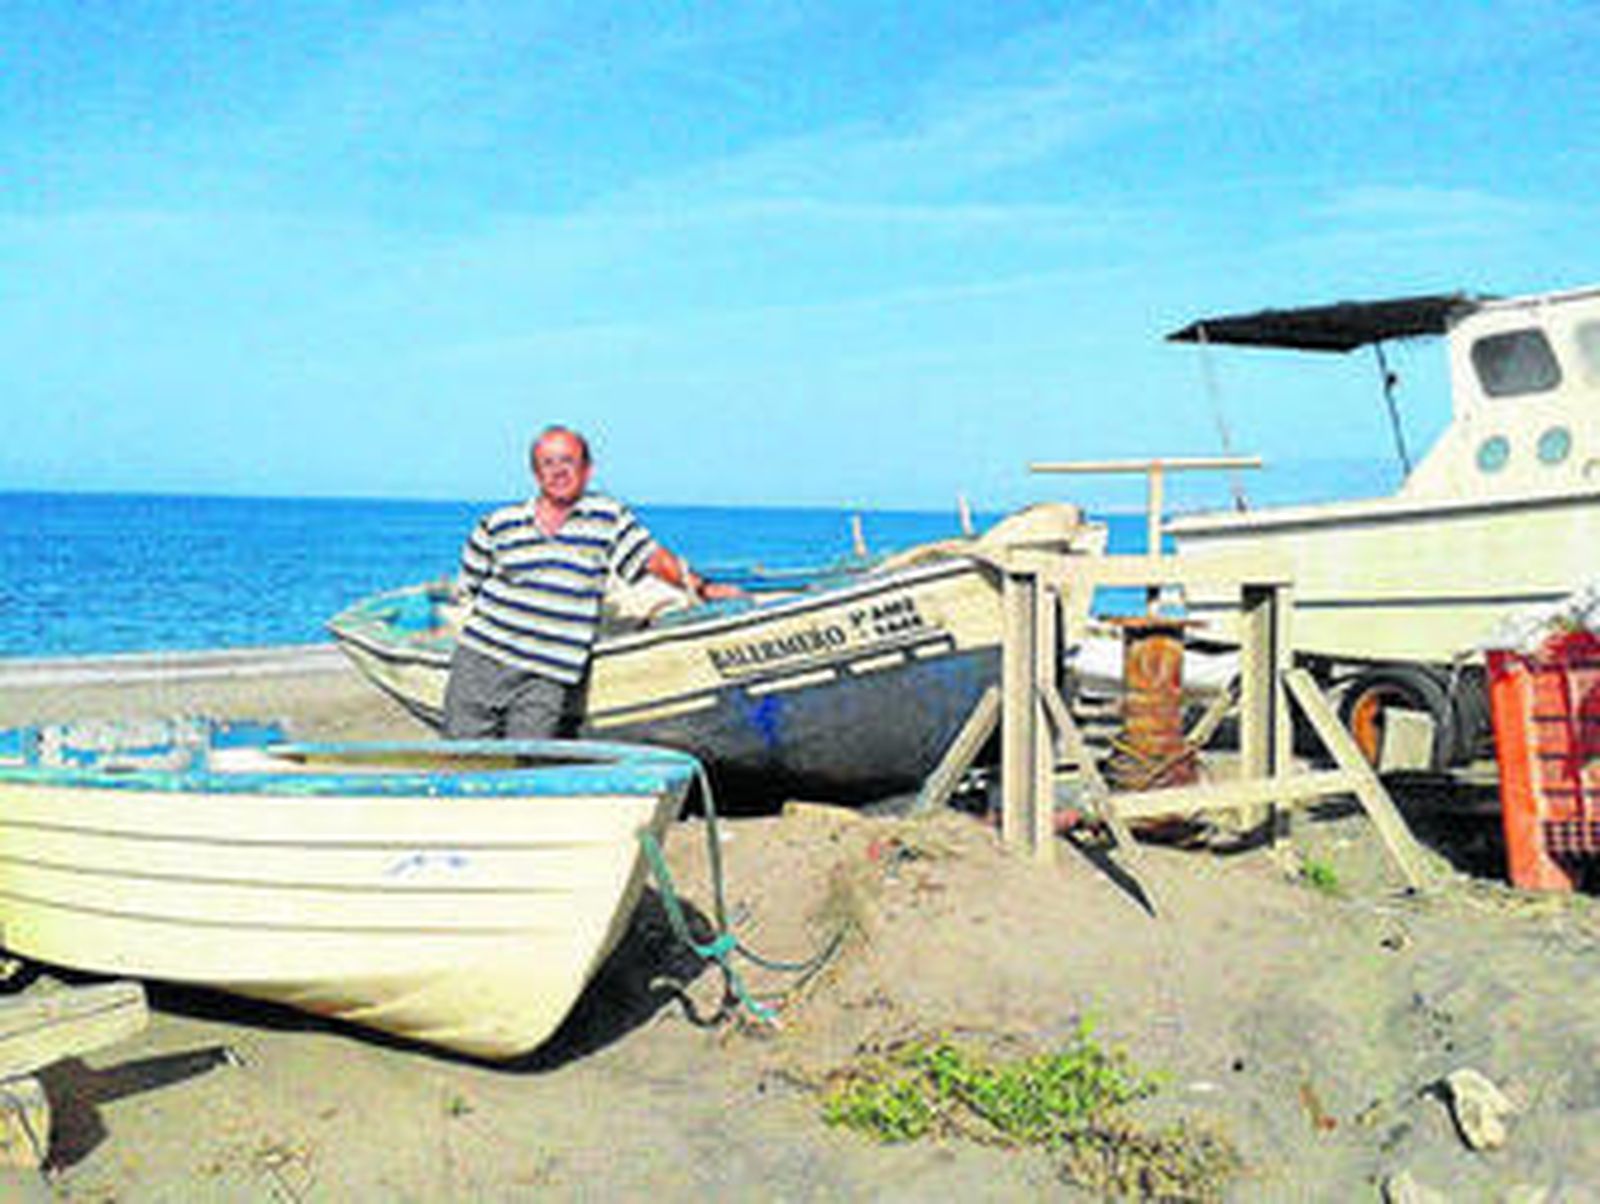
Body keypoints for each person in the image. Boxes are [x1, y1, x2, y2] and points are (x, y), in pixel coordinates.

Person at [442, 425, 740, 739]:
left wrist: (704, 588)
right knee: (465, 754)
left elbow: (652, 558)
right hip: (482, 662)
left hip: (547, 675)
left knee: (528, 758)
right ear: (536, 473)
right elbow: (472, 586)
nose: (558, 471)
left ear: (587, 470)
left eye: (568, 461)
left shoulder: (607, 517)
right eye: (548, 463)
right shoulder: (498, 525)